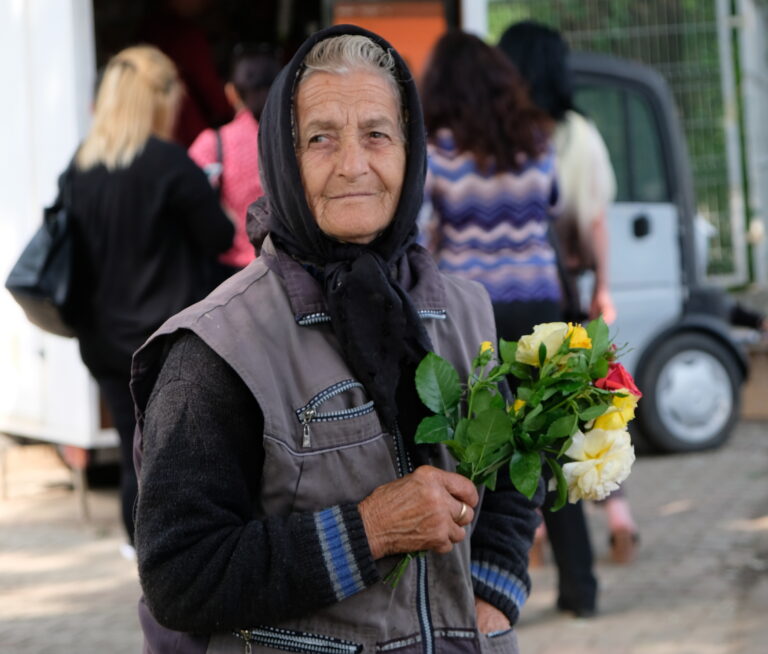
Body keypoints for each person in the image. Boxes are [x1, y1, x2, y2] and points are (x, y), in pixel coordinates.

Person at [131, 25, 542, 653]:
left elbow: (516, 470)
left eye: (377, 134)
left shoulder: (464, 311)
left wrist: (493, 591)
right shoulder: (216, 350)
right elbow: (180, 576)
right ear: (283, 161)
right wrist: (371, 529)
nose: (353, 164)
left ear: (411, 152)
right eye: (321, 138)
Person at [418, 30, 598, 617]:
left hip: (476, 314)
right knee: (550, 448)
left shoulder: (439, 151)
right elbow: (551, 211)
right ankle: (581, 590)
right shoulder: (536, 142)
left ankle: (475, 591)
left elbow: (425, 237)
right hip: (541, 306)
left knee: (482, 450)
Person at [67, 45, 234, 554]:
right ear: (158, 101)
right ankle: (169, 560)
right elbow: (220, 235)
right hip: (162, 338)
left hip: (103, 340)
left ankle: (139, 549)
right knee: (170, 452)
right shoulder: (169, 164)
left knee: (130, 447)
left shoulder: (80, 169)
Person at [499, 21, 639, 575]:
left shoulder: (498, 134)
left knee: (515, 423)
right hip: (563, 296)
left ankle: (528, 536)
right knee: (580, 418)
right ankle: (615, 528)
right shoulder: (576, 134)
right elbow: (595, 220)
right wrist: (602, 286)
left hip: (506, 298)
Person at [189, 43, 280, 278]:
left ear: (231, 92)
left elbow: (191, 210)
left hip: (230, 274)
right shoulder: (297, 141)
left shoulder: (212, 144)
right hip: (286, 268)